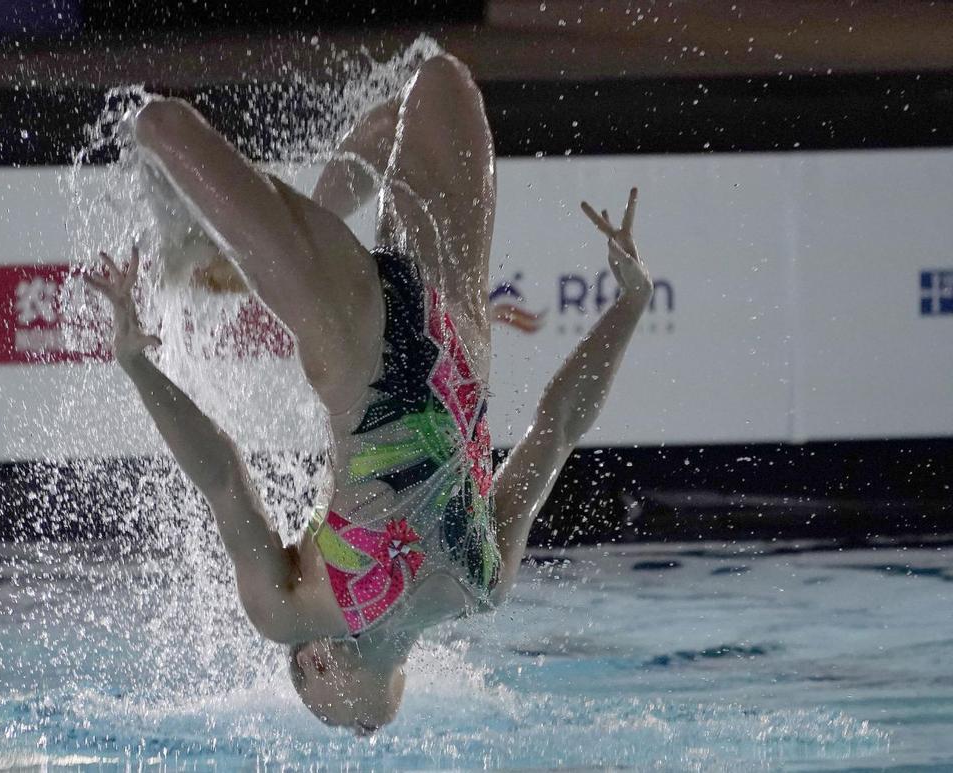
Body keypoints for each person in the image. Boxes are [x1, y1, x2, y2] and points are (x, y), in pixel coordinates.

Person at [85, 52, 653, 732]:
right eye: (316, 701)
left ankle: (268, 224)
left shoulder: (458, 591)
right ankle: (299, 212)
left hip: (412, 343)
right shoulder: (337, 609)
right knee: (429, 81)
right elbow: (223, 476)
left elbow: (557, 426)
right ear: (326, 669)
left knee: (428, 80)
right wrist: (137, 367)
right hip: (405, 336)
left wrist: (631, 302)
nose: (303, 676)